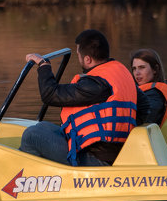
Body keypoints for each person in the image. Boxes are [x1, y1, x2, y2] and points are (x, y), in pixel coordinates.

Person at [19, 29, 139, 166]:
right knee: (43, 126)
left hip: (96, 158)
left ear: (87, 59)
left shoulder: (96, 84)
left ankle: (25, 180)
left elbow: (50, 95)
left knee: (31, 135)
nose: (78, 58)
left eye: (78, 55)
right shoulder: (121, 73)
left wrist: (43, 65)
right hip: (111, 151)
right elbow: (146, 107)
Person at [129, 48, 167, 126]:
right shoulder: (148, 91)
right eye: (134, 69)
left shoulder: (155, 95)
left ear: (155, 69)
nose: (137, 73)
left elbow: (144, 121)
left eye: (142, 67)